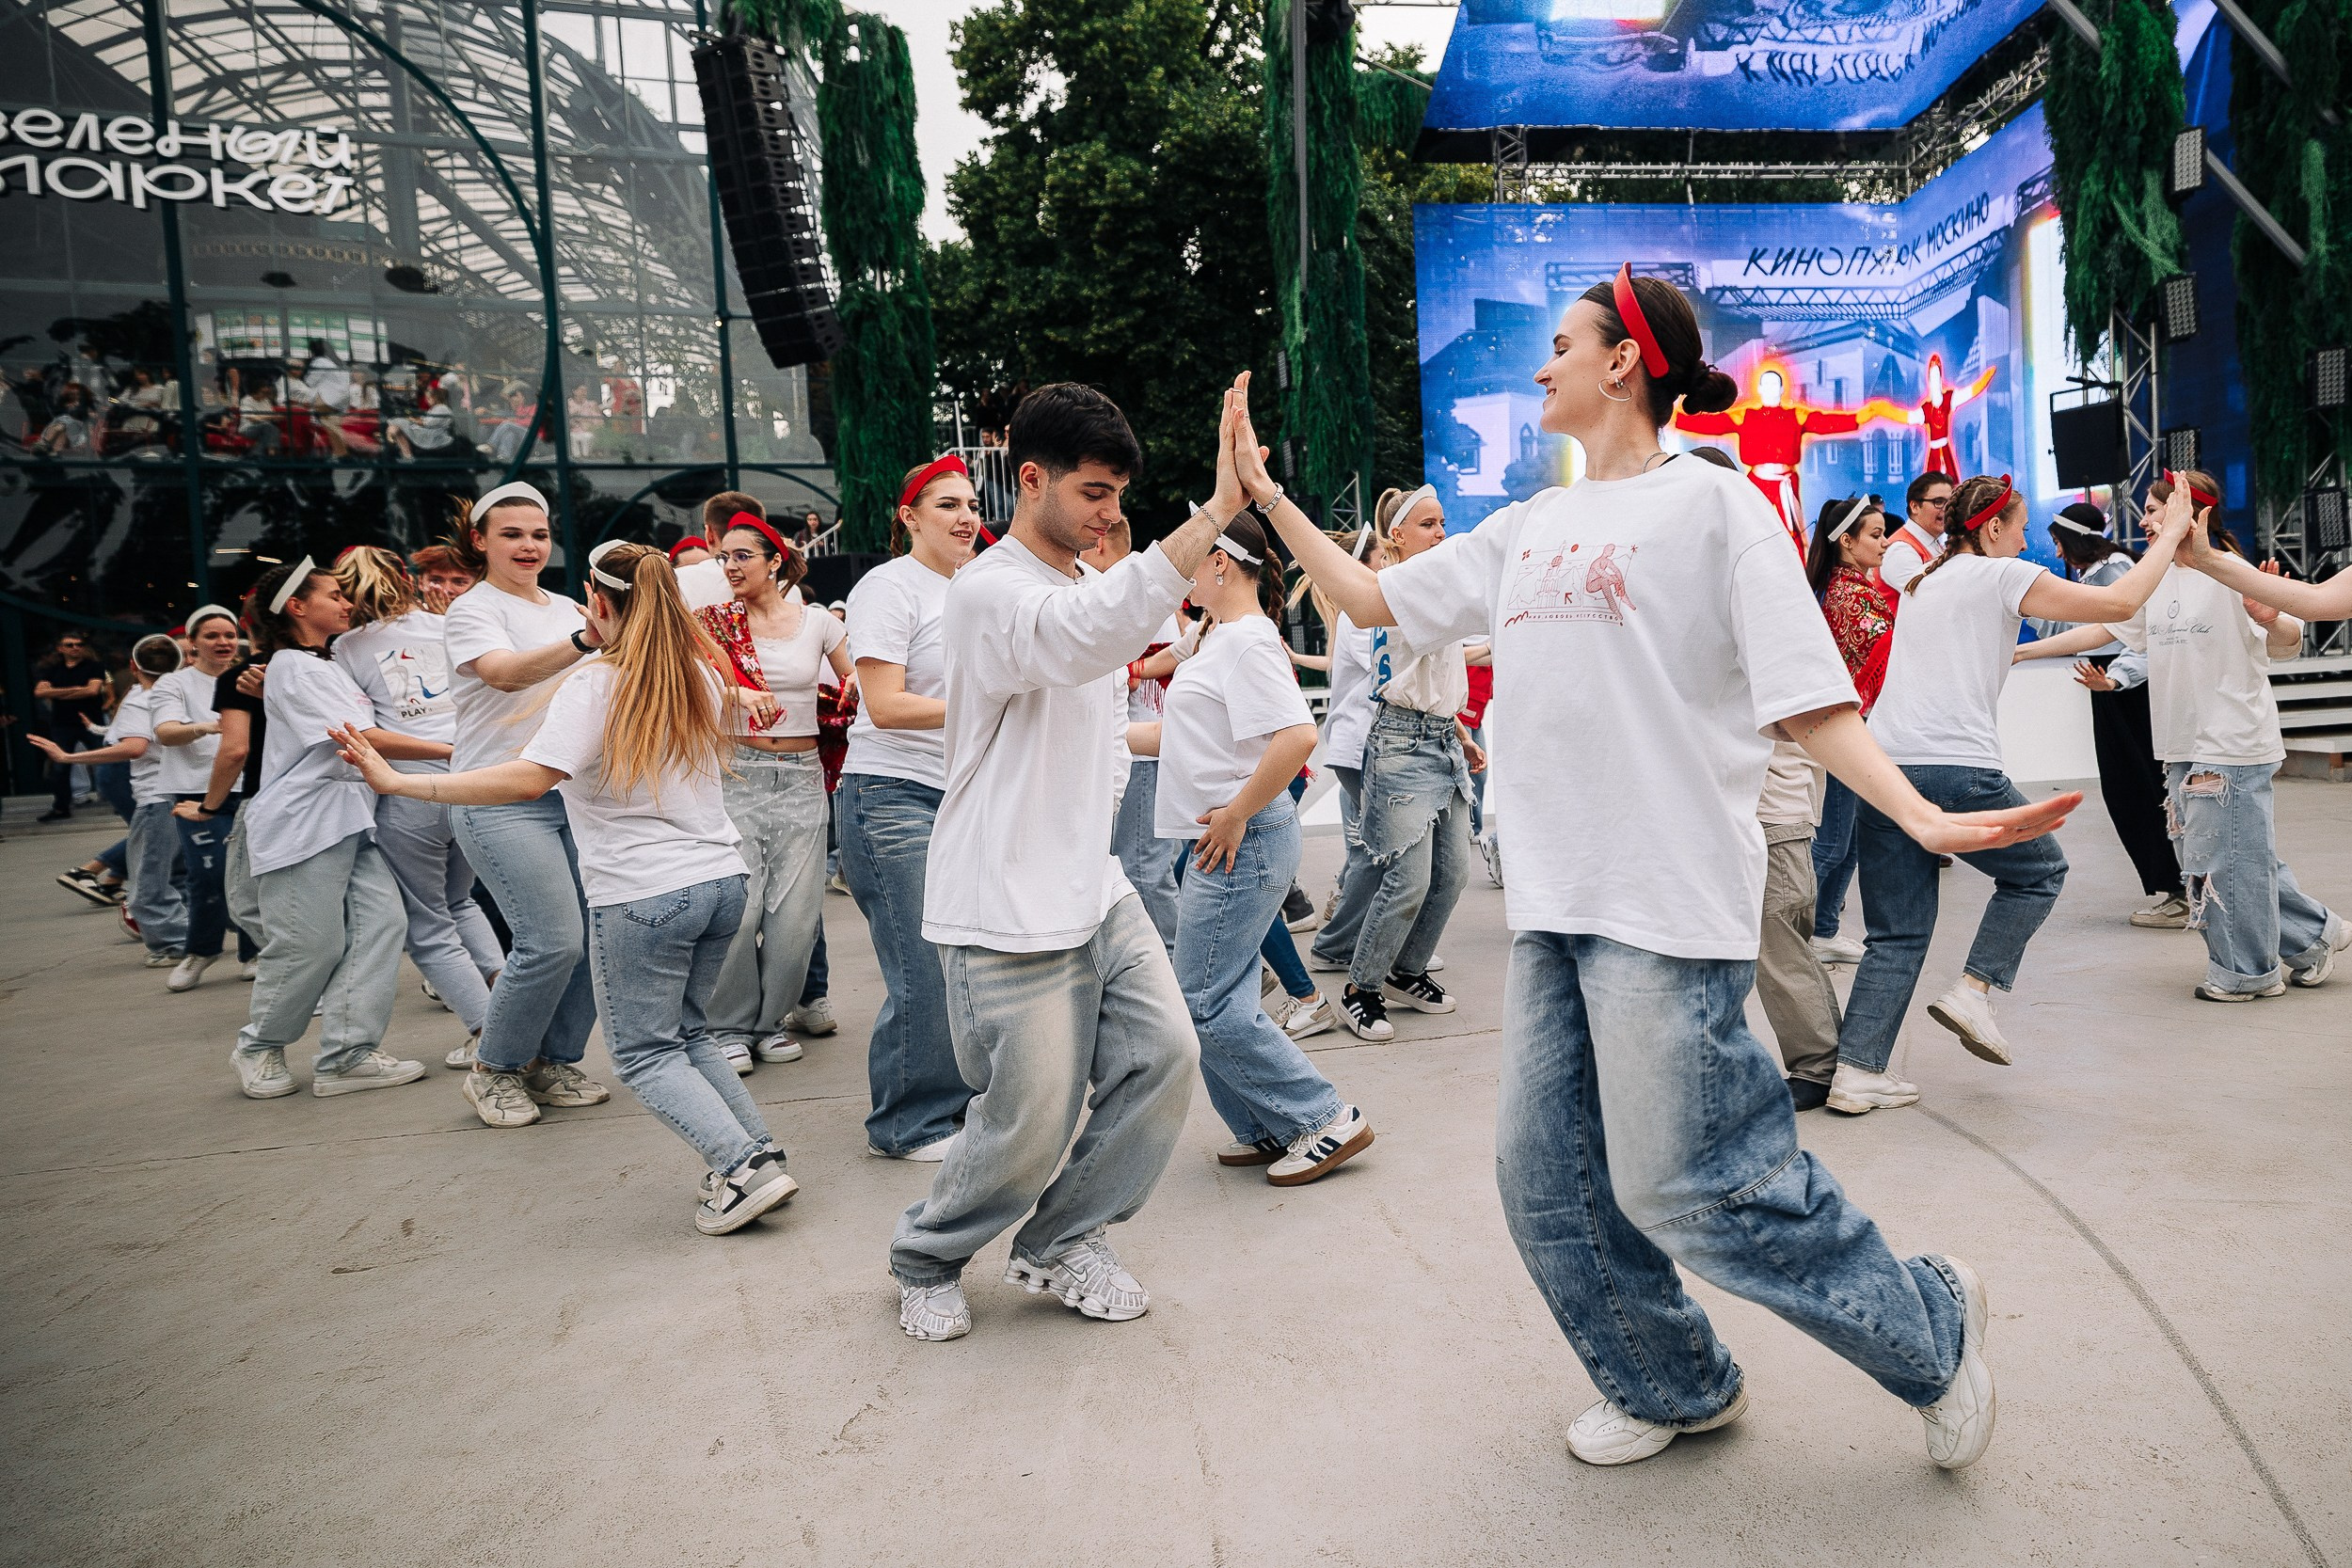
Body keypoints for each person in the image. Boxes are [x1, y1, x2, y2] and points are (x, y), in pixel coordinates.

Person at [1247, 264, 2085, 1471]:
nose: (1542, 366)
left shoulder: (1718, 509)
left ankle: (1930, 1324)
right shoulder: (1527, 526)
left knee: (1700, 1185)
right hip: (1554, 903)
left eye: (1561, 344)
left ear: (1623, 360)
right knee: (1546, 1184)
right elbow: (1374, 595)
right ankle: (1670, 1377)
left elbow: (1809, 696)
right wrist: (1268, 498)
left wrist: (1920, 815)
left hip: (1664, 900)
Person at [888, 381, 1235, 1345]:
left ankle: (1062, 1238)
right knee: (1026, 1119)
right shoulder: (991, 591)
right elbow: (1089, 640)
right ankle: (925, 1253)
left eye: (1119, 494)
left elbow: (1087, 721)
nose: (1110, 513)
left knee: (1167, 1053)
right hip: (1004, 899)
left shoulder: (1078, 587)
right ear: (1029, 479)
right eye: (1092, 492)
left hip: (1093, 885)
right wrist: (1215, 510)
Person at [335, 542, 799, 1234]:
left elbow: (527, 778)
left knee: (644, 1052)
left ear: (598, 604)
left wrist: (400, 781)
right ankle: (759, 1154)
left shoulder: (597, 682)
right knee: (691, 1032)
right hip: (720, 880)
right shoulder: (698, 674)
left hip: (642, 893)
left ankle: (740, 1168)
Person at [1835, 470, 2193, 1112]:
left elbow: (1911, 579)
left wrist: (2021, 655)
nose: (2028, 539)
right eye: (2021, 527)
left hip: (1887, 768)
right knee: (2039, 872)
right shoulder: (1999, 574)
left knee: (1895, 931)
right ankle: (1974, 988)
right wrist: (2169, 534)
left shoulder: (1922, 579)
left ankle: (1858, 1071)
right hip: (1956, 768)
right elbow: (2120, 605)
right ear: (1992, 527)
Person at [2018, 472, 2347, 999]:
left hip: (2232, 743)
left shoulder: (2232, 572)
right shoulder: (2158, 578)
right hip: (2179, 744)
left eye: (2155, 509)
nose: (2145, 521)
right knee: (2225, 858)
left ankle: (2247, 974)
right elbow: (2107, 629)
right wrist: (2022, 652)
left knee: (2228, 861)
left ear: (2194, 515)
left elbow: (2288, 639)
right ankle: (2314, 934)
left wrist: (2270, 619)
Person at [1149, 511, 1366, 1183]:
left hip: (1240, 837)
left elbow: (1299, 736)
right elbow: (1188, 740)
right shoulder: (1220, 637)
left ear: (1221, 562)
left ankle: (1323, 1117)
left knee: (1202, 1004)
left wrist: (1237, 814)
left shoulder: (1244, 639)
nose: (1183, 564)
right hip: (1226, 836)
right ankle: (1268, 1124)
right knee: (1222, 997)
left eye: (1194, 553)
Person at [229, 561, 437, 1101]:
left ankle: (347, 1055)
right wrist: (456, 751)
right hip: (303, 823)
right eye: (335, 595)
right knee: (308, 946)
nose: (349, 603)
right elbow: (360, 736)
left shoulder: (324, 662)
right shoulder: (292, 666)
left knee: (383, 927)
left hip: (349, 818)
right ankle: (259, 1047)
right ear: (297, 607)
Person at [442, 483, 614, 1129]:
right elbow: (505, 673)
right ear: (480, 540)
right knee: (551, 941)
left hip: (571, 797)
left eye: (538, 534)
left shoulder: (568, 606)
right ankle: (495, 1068)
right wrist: (584, 637)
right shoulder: (472, 609)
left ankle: (553, 1061)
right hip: (496, 796)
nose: (529, 545)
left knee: (596, 938)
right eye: (511, 534)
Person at [837, 455, 981, 1160]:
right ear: (909, 516)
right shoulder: (887, 588)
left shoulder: (978, 587)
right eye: (947, 504)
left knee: (967, 958)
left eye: (972, 504)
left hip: (962, 796)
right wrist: (984, 709)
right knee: (922, 962)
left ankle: (957, 1103)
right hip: (889, 795)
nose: (965, 517)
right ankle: (909, 1123)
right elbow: (886, 706)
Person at [1327, 484, 1486, 1043]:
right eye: (1427, 524)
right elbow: (1406, 669)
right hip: (1399, 744)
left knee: (1453, 872)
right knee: (1408, 876)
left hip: (1438, 738)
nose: (1440, 533)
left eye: (1442, 523)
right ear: (1396, 535)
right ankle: (1359, 989)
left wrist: (1460, 733)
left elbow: (1439, 671)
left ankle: (1405, 971)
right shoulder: (1386, 592)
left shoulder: (1431, 587)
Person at [335, 546, 504, 1065]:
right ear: (406, 579)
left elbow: (365, 731)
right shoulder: (447, 625)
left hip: (412, 787)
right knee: (461, 900)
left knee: (427, 921)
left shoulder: (345, 648)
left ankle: (487, 1033)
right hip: (478, 778)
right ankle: (510, 1009)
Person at [697, 509, 853, 1071]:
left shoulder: (818, 623)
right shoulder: (712, 625)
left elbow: (855, 680)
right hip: (739, 770)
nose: (731, 565)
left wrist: (855, 684)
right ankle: (728, 1025)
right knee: (742, 907)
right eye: (724, 557)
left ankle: (771, 1021)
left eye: (743, 556)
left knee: (796, 913)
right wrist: (732, 696)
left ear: (775, 562)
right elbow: (688, 692)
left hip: (804, 773)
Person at [2029, 501, 2187, 927]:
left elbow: (2133, 636)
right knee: (2128, 790)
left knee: (2142, 788)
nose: (2056, 552)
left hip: (2129, 692)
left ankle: (2180, 888)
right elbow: (2084, 630)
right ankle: (2177, 886)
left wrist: (2116, 679)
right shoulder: (2099, 573)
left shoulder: (2114, 572)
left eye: (2058, 543)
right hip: (2113, 687)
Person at [30, 635, 187, 963]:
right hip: (183, 794)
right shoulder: (181, 694)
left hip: (158, 798)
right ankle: (196, 935)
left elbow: (135, 746)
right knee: (180, 874)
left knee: (148, 884)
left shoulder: (140, 699)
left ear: (132, 666)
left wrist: (67, 758)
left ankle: (176, 945)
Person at [1803, 493, 1897, 964]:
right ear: (1846, 542)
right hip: (1843, 730)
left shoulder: (1844, 588)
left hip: (1851, 728)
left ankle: (1822, 929)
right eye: (1876, 535)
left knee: (1849, 838)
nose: (1884, 544)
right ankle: (1794, 938)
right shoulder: (1849, 594)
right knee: (1834, 839)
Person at [1086, 516, 1187, 942]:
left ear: (1103, 542)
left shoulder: (1126, 591)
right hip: (1146, 747)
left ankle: (1190, 966)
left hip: (1142, 752)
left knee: (1144, 871)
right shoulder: (1138, 588)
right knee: (1147, 868)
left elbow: (1124, 674)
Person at [155, 606, 251, 990]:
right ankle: (203, 950)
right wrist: (210, 726)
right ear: (192, 643)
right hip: (197, 790)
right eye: (211, 636)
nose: (222, 642)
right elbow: (165, 732)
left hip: (251, 787)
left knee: (252, 874)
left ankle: (254, 951)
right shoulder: (174, 684)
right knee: (209, 874)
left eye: (229, 635)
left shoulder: (250, 677)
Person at [32, 632, 109, 821]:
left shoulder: (95, 667)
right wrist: (76, 690)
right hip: (62, 724)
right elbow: (39, 692)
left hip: (91, 723)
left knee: (104, 762)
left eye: (79, 644)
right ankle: (61, 807)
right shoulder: (53, 670)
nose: (76, 648)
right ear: (61, 648)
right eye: (70, 645)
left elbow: (92, 690)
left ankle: (115, 800)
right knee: (60, 767)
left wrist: (56, 693)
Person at [1878, 471, 1952, 596]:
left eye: (1950, 502)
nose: (1946, 508)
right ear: (1915, 506)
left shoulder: (1936, 541)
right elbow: (1933, 597)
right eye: (1938, 502)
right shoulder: (1900, 550)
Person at [410, 543, 478, 608]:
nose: (446, 589)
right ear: (421, 582)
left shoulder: (486, 616)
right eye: (436, 581)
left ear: (476, 584)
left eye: (459, 582)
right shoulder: (407, 617)